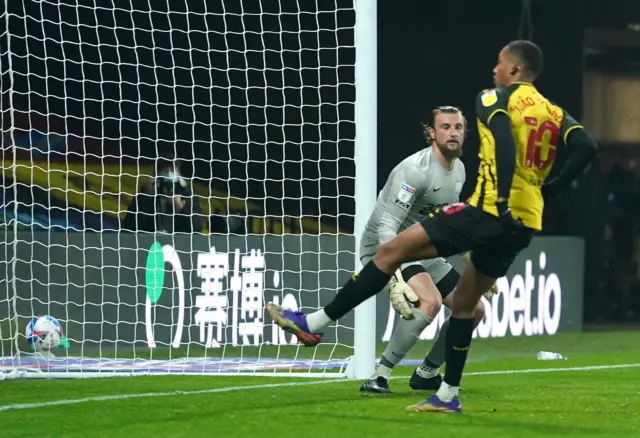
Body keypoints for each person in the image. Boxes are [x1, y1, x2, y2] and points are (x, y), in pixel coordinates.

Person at [266, 40, 598, 413]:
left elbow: (503, 141)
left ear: (515, 70)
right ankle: (445, 394)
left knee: (393, 257)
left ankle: (314, 323)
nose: (494, 70)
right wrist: (550, 191)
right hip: (524, 223)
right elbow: (587, 146)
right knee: (465, 305)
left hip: (489, 211)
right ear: (433, 132)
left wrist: (502, 198)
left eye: (500, 63)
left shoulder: (493, 99)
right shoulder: (553, 112)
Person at [356, 106, 491, 394]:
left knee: (474, 309)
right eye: (445, 127)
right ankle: (379, 376)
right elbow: (387, 226)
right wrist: (392, 277)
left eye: (458, 127)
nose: (453, 132)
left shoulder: (460, 171)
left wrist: (473, 263)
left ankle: (426, 373)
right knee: (428, 301)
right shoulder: (413, 171)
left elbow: (448, 223)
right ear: (431, 133)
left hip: (422, 249)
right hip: (385, 245)